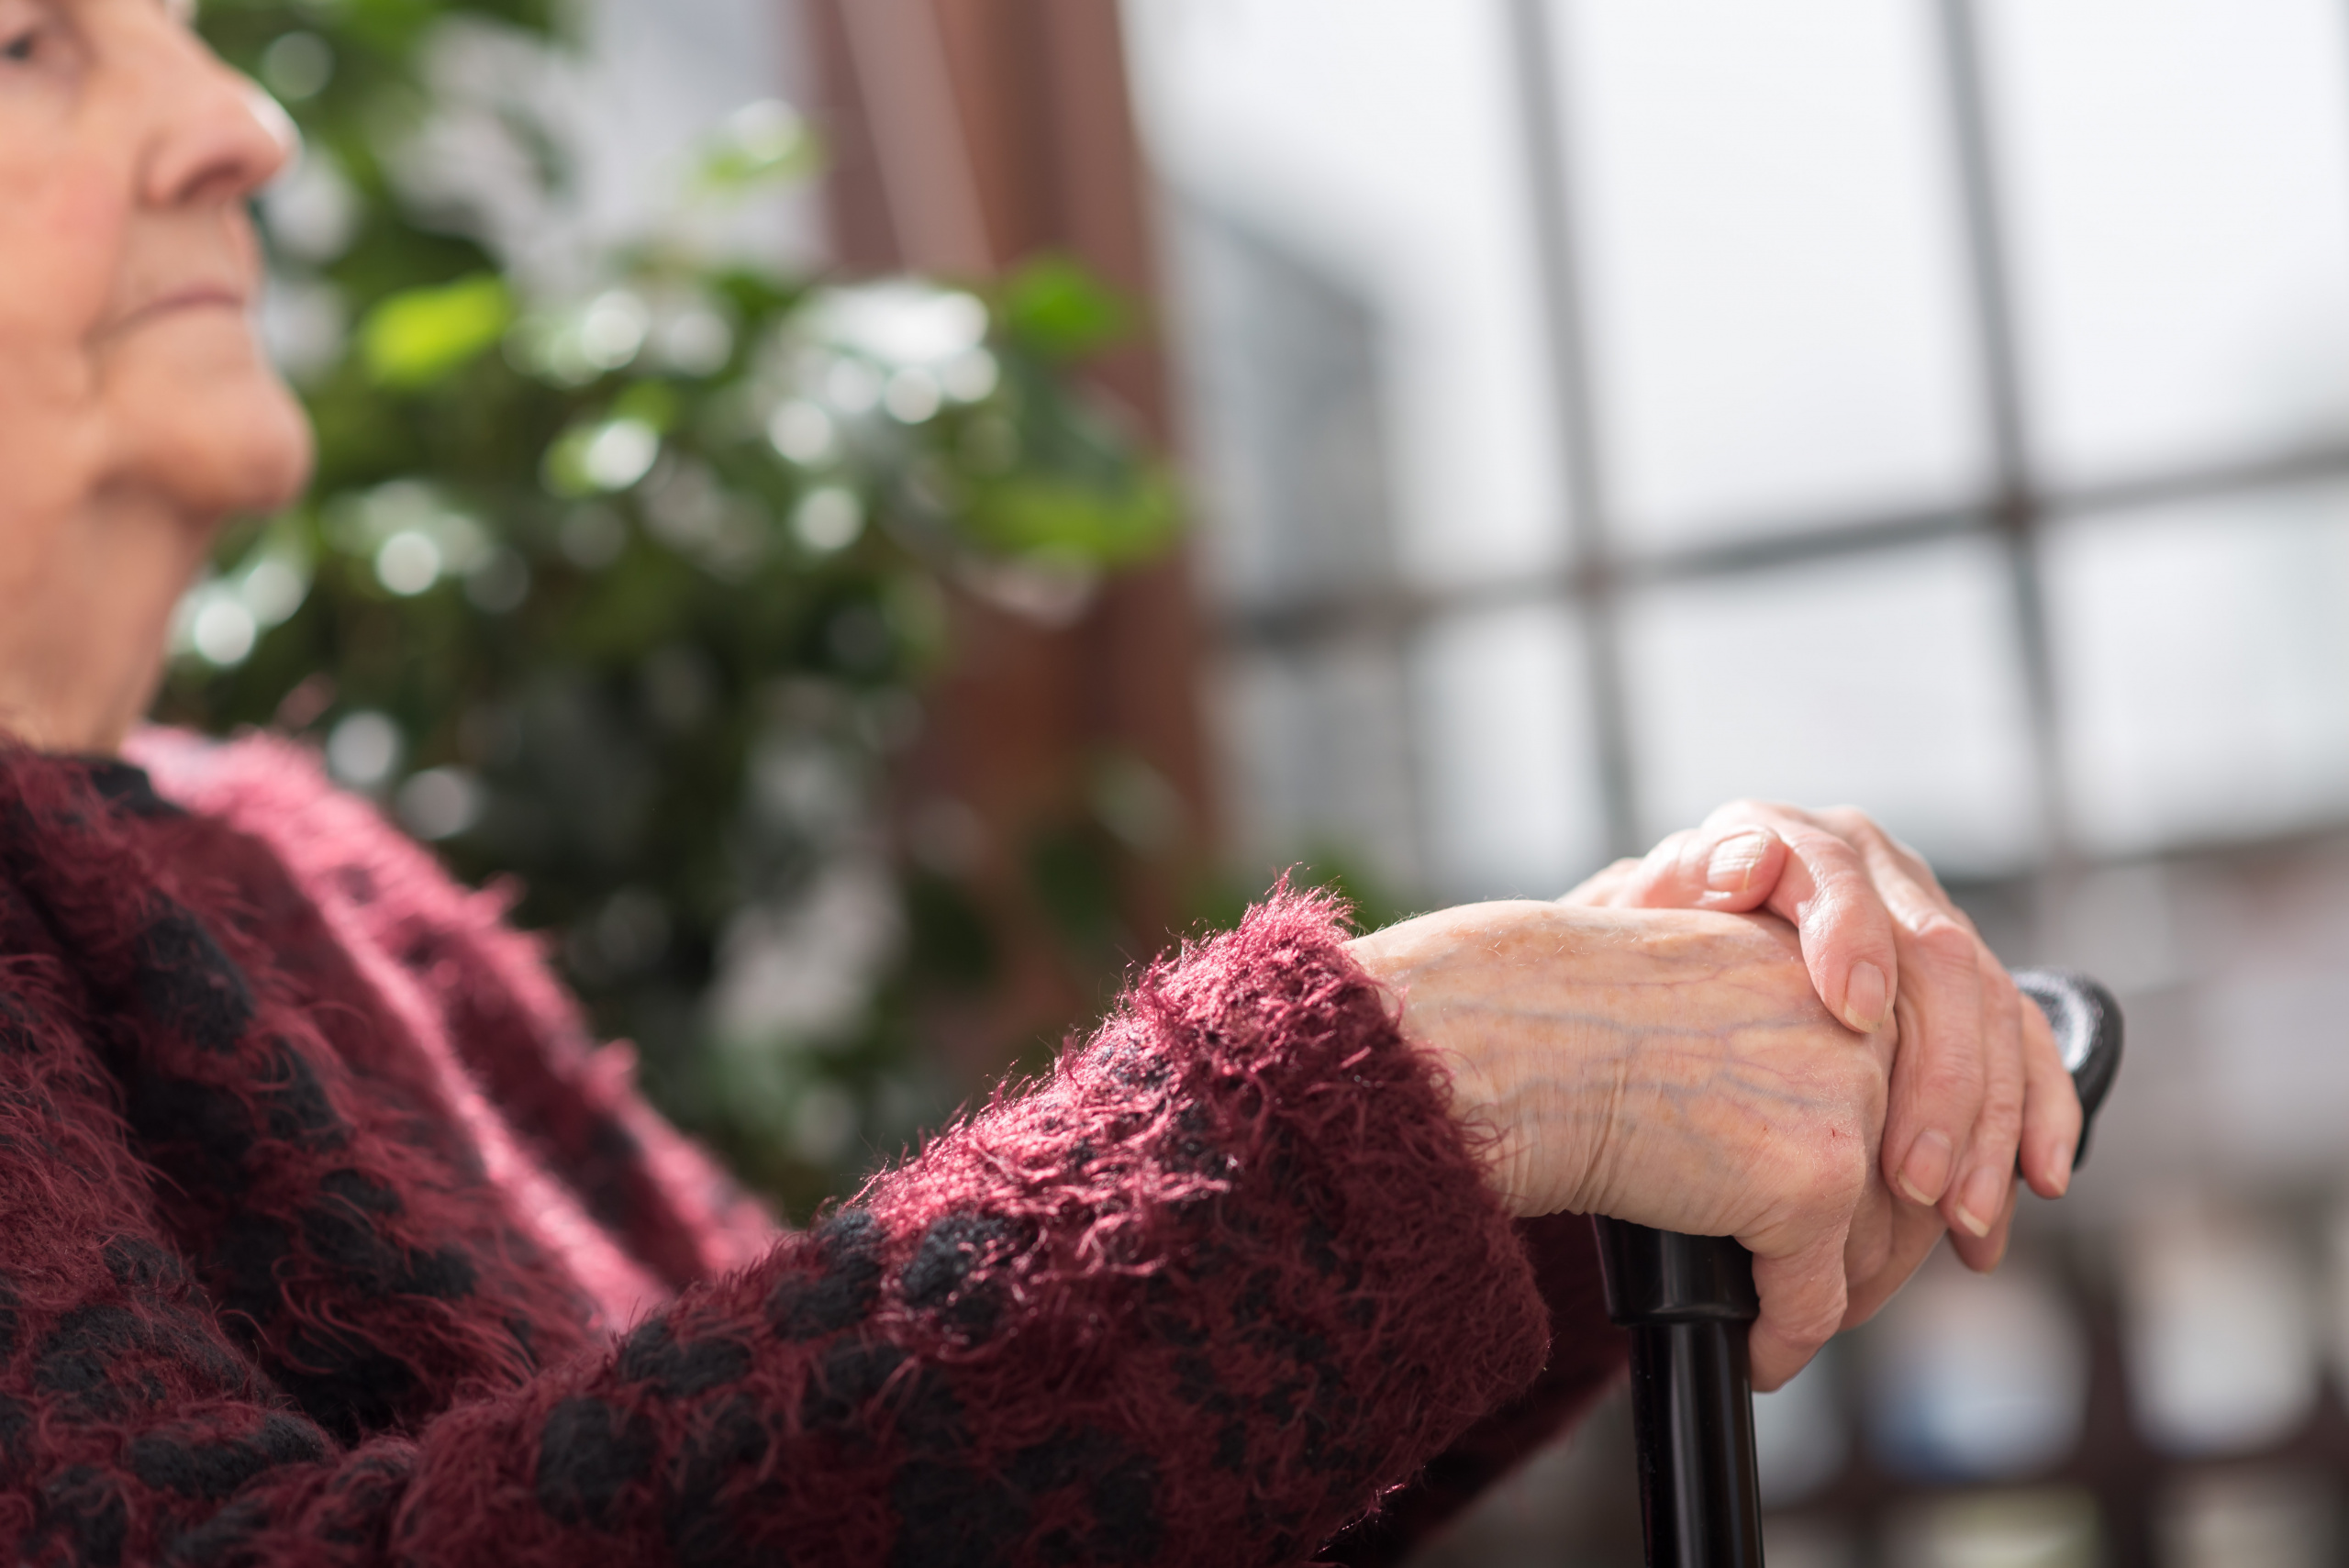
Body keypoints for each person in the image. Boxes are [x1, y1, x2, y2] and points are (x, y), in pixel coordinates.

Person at [0, 2, 2082, 1562]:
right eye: (32, 48)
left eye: (179, 23)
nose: (237, 123)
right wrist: (1447, 1073)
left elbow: (872, 1485)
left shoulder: (306, 862)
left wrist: (1583, 1095)